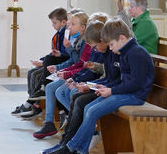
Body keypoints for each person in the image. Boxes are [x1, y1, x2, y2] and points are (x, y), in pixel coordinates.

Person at [48, 18, 155, 154]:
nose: (110, 49)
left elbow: (136, 84)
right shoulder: (124, 51)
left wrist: (111, 90)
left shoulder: (136, 53)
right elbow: (120, 80)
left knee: (92, 111)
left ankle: (70, 148)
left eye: (111, 44)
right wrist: (102, 87)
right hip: (125, 92)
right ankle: (81, 150)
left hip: (135, 96)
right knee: (88, 107)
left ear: (122, 38)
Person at [40, 20, 121, 154]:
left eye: (94, 47)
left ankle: (71, 146)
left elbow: (121, 80)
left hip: (117, 91)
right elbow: (99, 72)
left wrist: (91, 86)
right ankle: (67, 143)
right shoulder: (108, 51)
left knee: (80, 100)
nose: (94, 50)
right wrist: (83, 82)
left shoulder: (116, 51)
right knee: (75, 96)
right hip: (103, 84)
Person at [11, 7, 69, 117]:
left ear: (64, 22)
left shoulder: (65, 35)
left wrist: (45, 62)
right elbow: (54, 53)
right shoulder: (58, 34)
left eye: (55, 22)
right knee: (31, 72)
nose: (53, 25)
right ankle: (32, 104)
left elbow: (65, 55)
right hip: (55, 62)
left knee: (37, 74)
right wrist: (42, 60)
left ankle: (35, 105)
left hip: (60, 64)